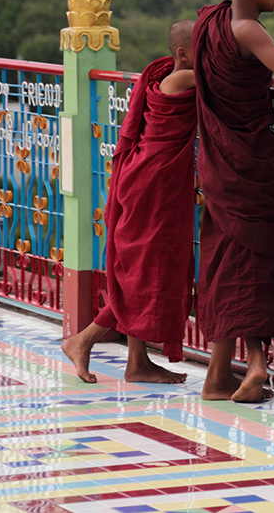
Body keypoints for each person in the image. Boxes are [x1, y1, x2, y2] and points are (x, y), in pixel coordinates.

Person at [62, 20, 198, 384]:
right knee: (145, 271)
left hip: (149, 179)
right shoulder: (182, 79)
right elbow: (233, 83)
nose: (213, 54)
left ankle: (137, 362)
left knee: (142, 268)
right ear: (183, 54)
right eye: (206, 47)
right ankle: (83, 339)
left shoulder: (165, 75)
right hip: (155, 184)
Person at [193, 0, 274, 403]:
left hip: (219, 161)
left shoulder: (209, 25)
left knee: (225, 260)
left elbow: (233, 82)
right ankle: (253, 365)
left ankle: (222, 374)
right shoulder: (249, 30)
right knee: (249, 262)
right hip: (248, 164)